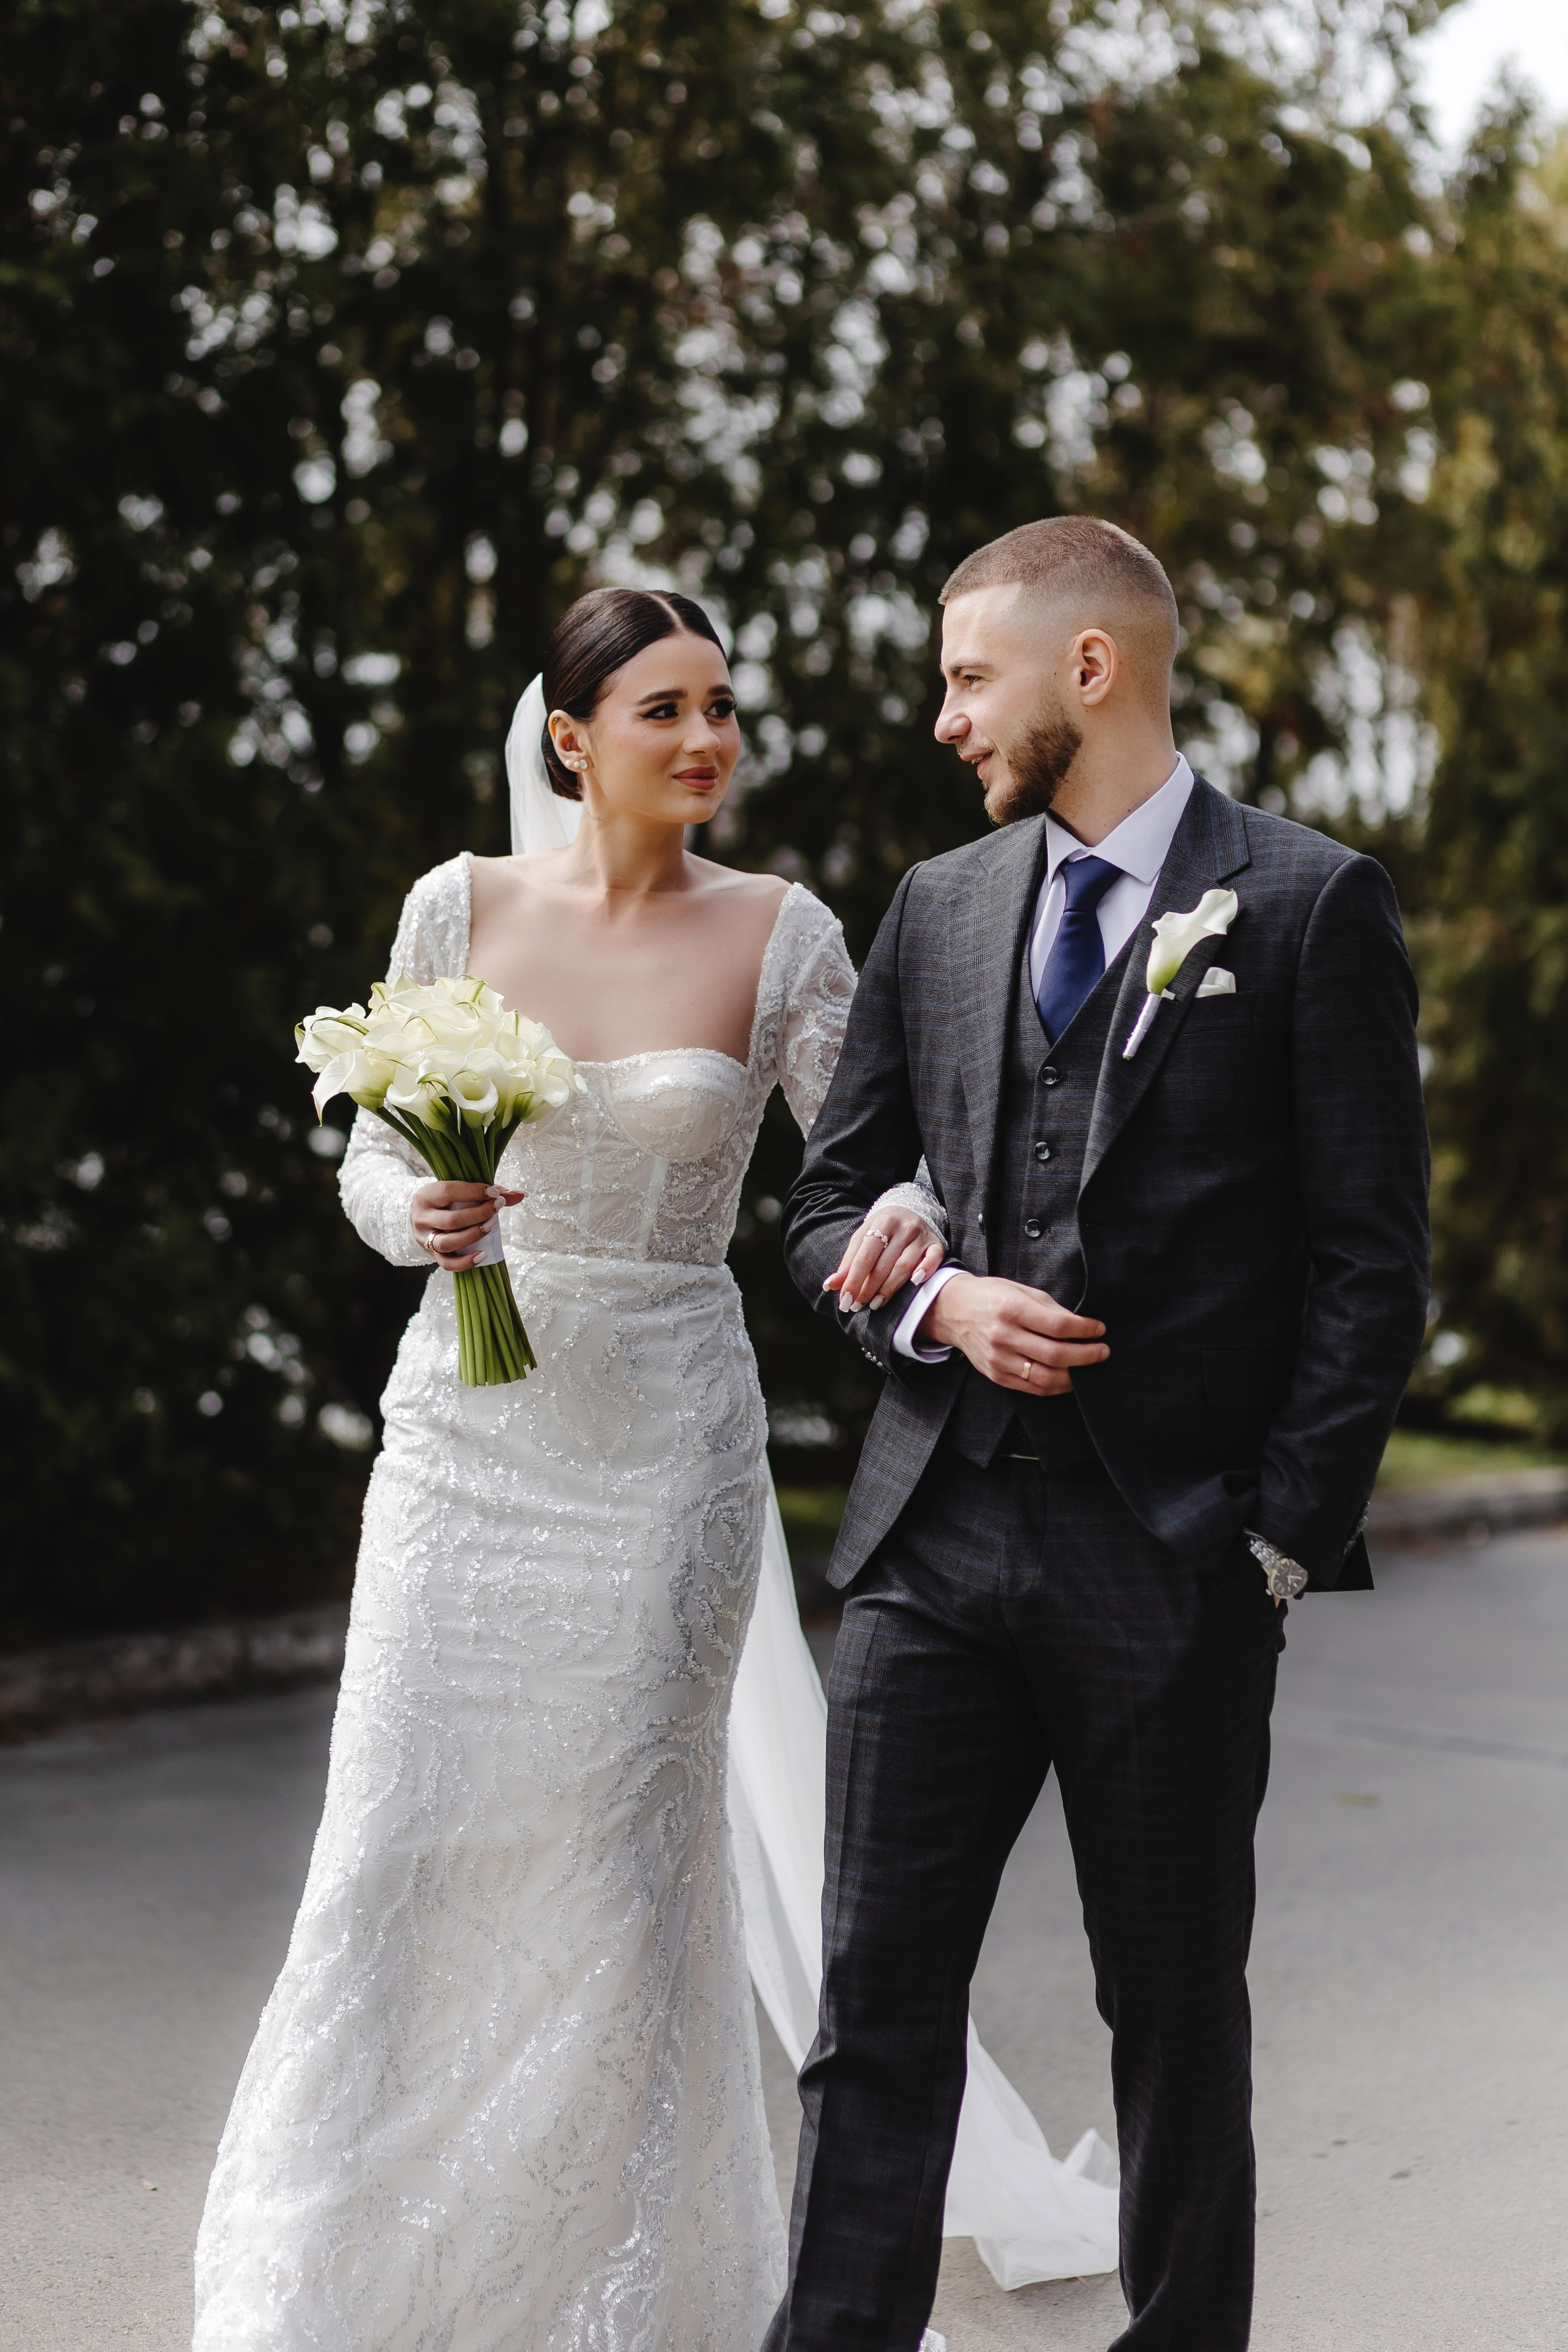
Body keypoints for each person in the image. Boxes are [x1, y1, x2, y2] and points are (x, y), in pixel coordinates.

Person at [190, 585, 1114, 2352]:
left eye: (721, 707)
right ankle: (341, 2283)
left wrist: (916, 1230)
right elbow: (373, 1157)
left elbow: (886, 1160)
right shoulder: (457, 908)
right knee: (395, 1842)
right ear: (569, 736)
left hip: (663, 1456)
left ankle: (609, 2289)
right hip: (464, 1443)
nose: (706, 741)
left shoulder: (786, 935)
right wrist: (420, 1211)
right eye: (664, 710)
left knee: (618, 1878)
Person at [769, 517, 1432, 2351]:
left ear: (1090, 669)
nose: (942, 717)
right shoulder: (940, 904)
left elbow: (1373, 1265)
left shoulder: (1307, 903)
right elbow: (821, 1209)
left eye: (966, 676)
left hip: (1173, 1560)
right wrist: (931, 1299)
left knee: (1171, 2017)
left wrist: (1276, 1538)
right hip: (934, 1541)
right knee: (875, 2006)